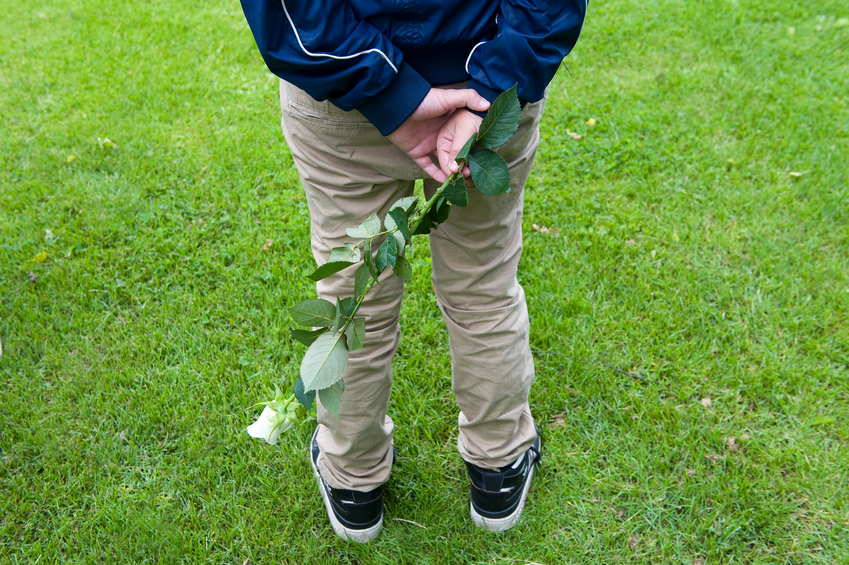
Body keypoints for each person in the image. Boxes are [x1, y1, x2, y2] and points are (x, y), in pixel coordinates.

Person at [240, 0, 586, 542]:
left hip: (349, 94)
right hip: (483, 84)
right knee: (482, 285)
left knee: (353, 299)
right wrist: (495, 84)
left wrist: (387, 90)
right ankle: (498, 467)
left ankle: (353, 480)